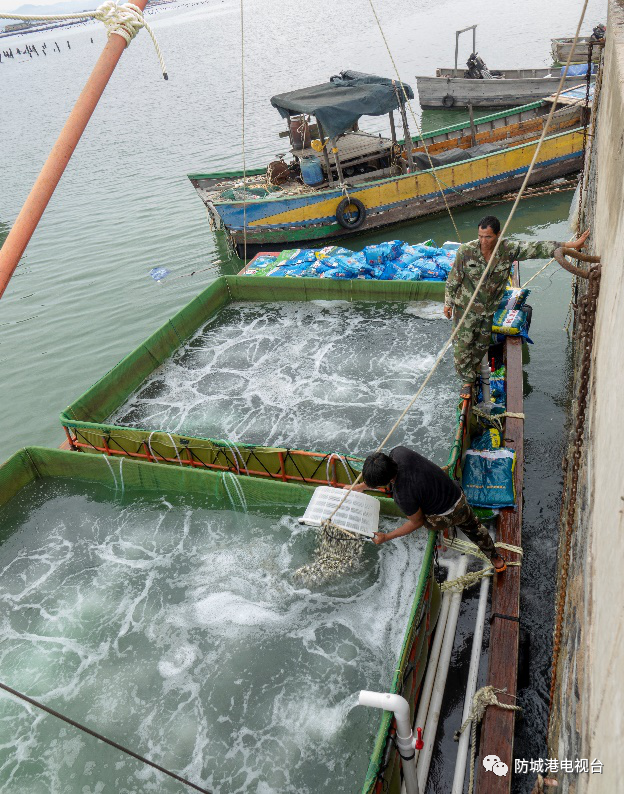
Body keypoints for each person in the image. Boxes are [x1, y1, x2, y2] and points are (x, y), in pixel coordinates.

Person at [444, 216, 590, 399]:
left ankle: (475, 372)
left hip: (488, 310)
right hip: (465, 309)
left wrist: (570, 245)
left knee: (481, 345)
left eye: (488, 237)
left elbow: (537, 248)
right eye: (480, 236)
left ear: (498, 234)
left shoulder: (507, 250)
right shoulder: (466, 252)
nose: (483, 241)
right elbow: (453, 280)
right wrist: (448, 303)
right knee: (462, 347)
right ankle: (467, 381)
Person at [353, 446, 507, 571]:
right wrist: (361, 487)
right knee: (474, 529)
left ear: (385, 482)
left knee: (422, 519)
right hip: (457, 494)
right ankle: (496, 559)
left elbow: (417, 522)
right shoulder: (400, 453)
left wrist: (386, 537)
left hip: (447, 515)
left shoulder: (402, 495)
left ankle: (443, 533)